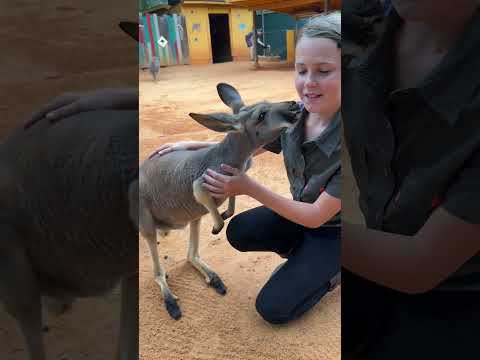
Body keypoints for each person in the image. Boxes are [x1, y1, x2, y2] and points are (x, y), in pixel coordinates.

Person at [153, 12, 342, 325]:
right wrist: (191, 144)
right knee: (240, 231)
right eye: (301, 70)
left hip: (334, 233)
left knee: (274, 309)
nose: (308, 82)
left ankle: (333, 270)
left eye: (323, 71)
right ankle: (303, 257)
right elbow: (247, 141)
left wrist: (247, 187)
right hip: (300, 214)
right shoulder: (297, 116)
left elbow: (316, 216)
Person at [342, 1, 480, 358]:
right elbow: (310, 110)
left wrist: (313, 228)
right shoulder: (361, 21)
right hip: (373, 245)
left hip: (457, 288)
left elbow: (420, 266)